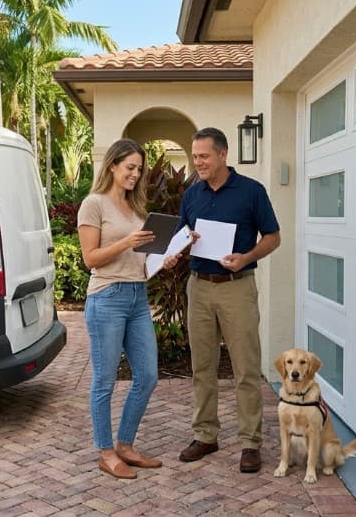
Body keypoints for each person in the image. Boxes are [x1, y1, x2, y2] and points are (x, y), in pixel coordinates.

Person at [177, 127, 280, 473]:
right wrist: (182, 245)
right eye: (195, 157)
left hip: (237, 285)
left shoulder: (252, 192)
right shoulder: (191, 195)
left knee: (246, 368)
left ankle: (250, 442)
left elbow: (273, 237)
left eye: (204, 156)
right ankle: (205, 434)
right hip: (199, 286)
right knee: (202, 366)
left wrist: (246, 257)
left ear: (223, 155)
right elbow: (181, 237)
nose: (198, 163)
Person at [77, 139, 181, 479]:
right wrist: (126, 242)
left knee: (148, 375)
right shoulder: (93, 205)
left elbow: (140, 260)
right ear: (112, 167)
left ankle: (125, 444)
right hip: (106, 297)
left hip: (137, 296)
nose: (135, 174)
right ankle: (106, 452)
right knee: (105, 380)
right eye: (129, 168)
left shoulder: (137, 210)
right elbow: (90, 259)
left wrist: (163, 260)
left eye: (139, 169)